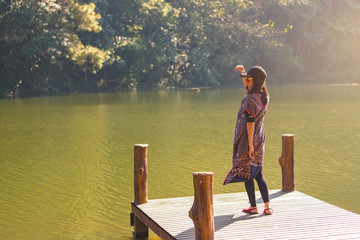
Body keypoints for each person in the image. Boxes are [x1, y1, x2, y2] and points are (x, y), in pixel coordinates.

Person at [223, 65, 273, 215]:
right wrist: (244, 72)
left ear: (255, 81)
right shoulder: (265, 96)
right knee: (258, 173)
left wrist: (250, 145)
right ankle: (267, 206)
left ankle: (253, 206)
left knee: (247, 173)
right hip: (260, 137)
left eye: (249, 80)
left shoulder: (249, 99)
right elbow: (250, 87)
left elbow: (250, 122)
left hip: (249, 140)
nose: (247, 82)